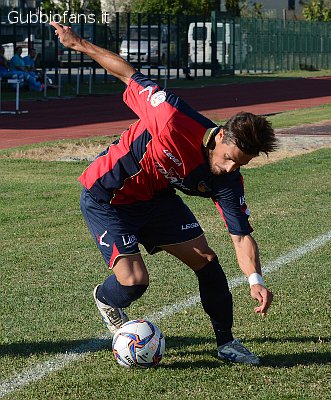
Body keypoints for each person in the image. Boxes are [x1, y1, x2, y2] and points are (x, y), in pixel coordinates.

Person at [50, 21, 278, 365]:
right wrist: (79, 43)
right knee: (134, 283)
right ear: (219, 138)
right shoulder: (170, 117)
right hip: (108, 196)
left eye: (241, 164)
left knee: (207, 261)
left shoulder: (228, 180)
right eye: (230, 159)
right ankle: (106, 298)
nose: (232, 169)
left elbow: (240, 235)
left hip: (155, 199)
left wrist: (255, 279)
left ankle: (227, 343)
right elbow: (128, 74)